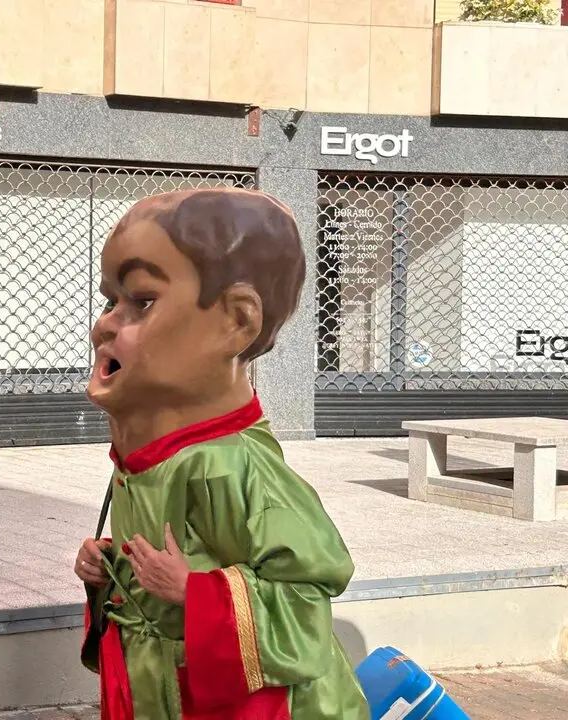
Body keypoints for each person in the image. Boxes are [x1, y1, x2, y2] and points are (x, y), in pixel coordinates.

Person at [74, 188, 370, 720]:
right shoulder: (154, 456)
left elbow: (305, 596)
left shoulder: (233, 464)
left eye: (141, 300)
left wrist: (195, 593)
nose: (106, 323)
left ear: (236, 321)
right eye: (110, 300)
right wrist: (110, 566)